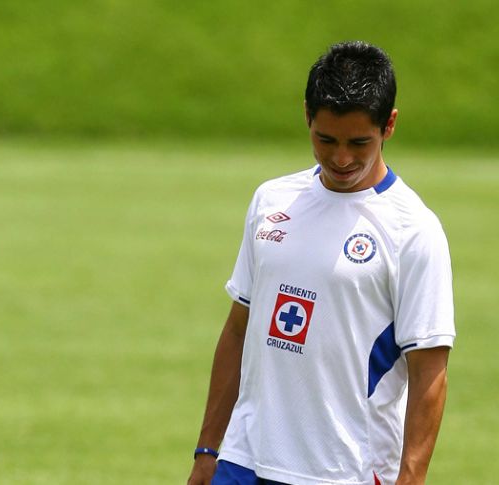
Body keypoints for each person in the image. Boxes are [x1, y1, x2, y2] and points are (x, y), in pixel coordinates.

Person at [187, 40, 456, 485]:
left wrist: (410, 480)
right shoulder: (271, 200)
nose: (341, 158)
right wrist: (208, 449)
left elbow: (430, 372)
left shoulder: (413, 231)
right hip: (245, 459)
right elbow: (238, 329)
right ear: (307, 116)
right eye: (325, 139)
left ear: (388, 125)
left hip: (342, 471)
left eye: (359, 142)